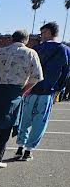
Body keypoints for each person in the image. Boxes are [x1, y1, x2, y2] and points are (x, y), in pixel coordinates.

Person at [0, 30, 43, 168]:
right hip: (13, 92)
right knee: (6, 125)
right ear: (26, 40)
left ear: (12, 39)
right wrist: (23, 91)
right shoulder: (31, 53)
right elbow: (37, 76)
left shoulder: (0, 51)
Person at [14, 22, 70, 161]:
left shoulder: (36, 49)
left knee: (25, 119)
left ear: (49, 32)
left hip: (31, 89)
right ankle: (28, 150)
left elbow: (26, 68)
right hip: (48, 91)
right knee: (40, 122)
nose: (41, 36)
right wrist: (59, 89)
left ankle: (20, 146)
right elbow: (66, 73)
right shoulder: (64, 50)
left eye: (43, 33)